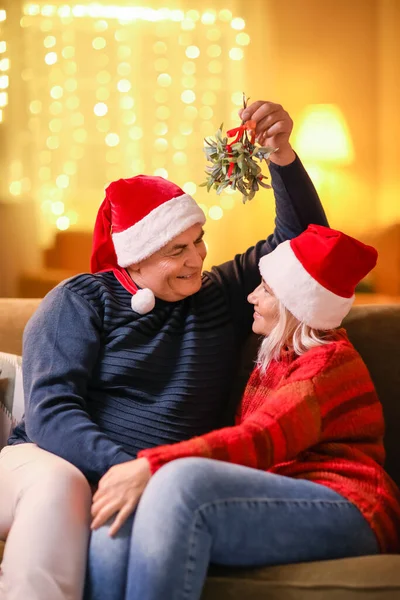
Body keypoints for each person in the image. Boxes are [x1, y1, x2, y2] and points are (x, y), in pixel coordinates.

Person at [0, 100, 328, 600]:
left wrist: (280, 156)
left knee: (122, 528)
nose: (197, 258)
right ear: (134, 257)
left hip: (159, 489)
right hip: (49, 463)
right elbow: (52, 413)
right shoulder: (78, 300)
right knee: (62, 489)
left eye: (198, 241)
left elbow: (306, 243)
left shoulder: (220, 293)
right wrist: (129, 469)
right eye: (177, 250)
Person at [89, 224, 400, 600]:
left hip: (351, 506)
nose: (251, 295)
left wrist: (150, 464)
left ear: (295, 304)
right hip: (287, 494)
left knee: (178, 482)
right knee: (124, 510)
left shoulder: (325, 364)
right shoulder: (276, 354)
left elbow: (262, 438)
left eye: (265, 289)